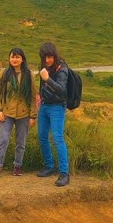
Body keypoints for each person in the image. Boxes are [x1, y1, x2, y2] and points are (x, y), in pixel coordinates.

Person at [0, 47, 36, 178]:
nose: (14, 59)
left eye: (17, 57)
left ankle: (17, 166)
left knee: (21, 142)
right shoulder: (4, 74)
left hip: (23, 113)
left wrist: (32, 115)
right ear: (9, 58)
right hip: (6, 113)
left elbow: (33, 96)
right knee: (3, 140)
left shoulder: (28, 74)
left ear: (22, 59)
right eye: (12, 57)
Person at [35, 41, 70, 187]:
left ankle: (64, 173)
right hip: (44, 106)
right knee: (42, 136)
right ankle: (49, 166)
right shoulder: (44, 67)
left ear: (54, 55)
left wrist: (47, 79)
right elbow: (41, 86)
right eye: (45, 58)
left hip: (57, 107)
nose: (47, 60)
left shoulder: (62, 69)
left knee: (57, 138)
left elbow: (62, 90)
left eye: (50, 57)